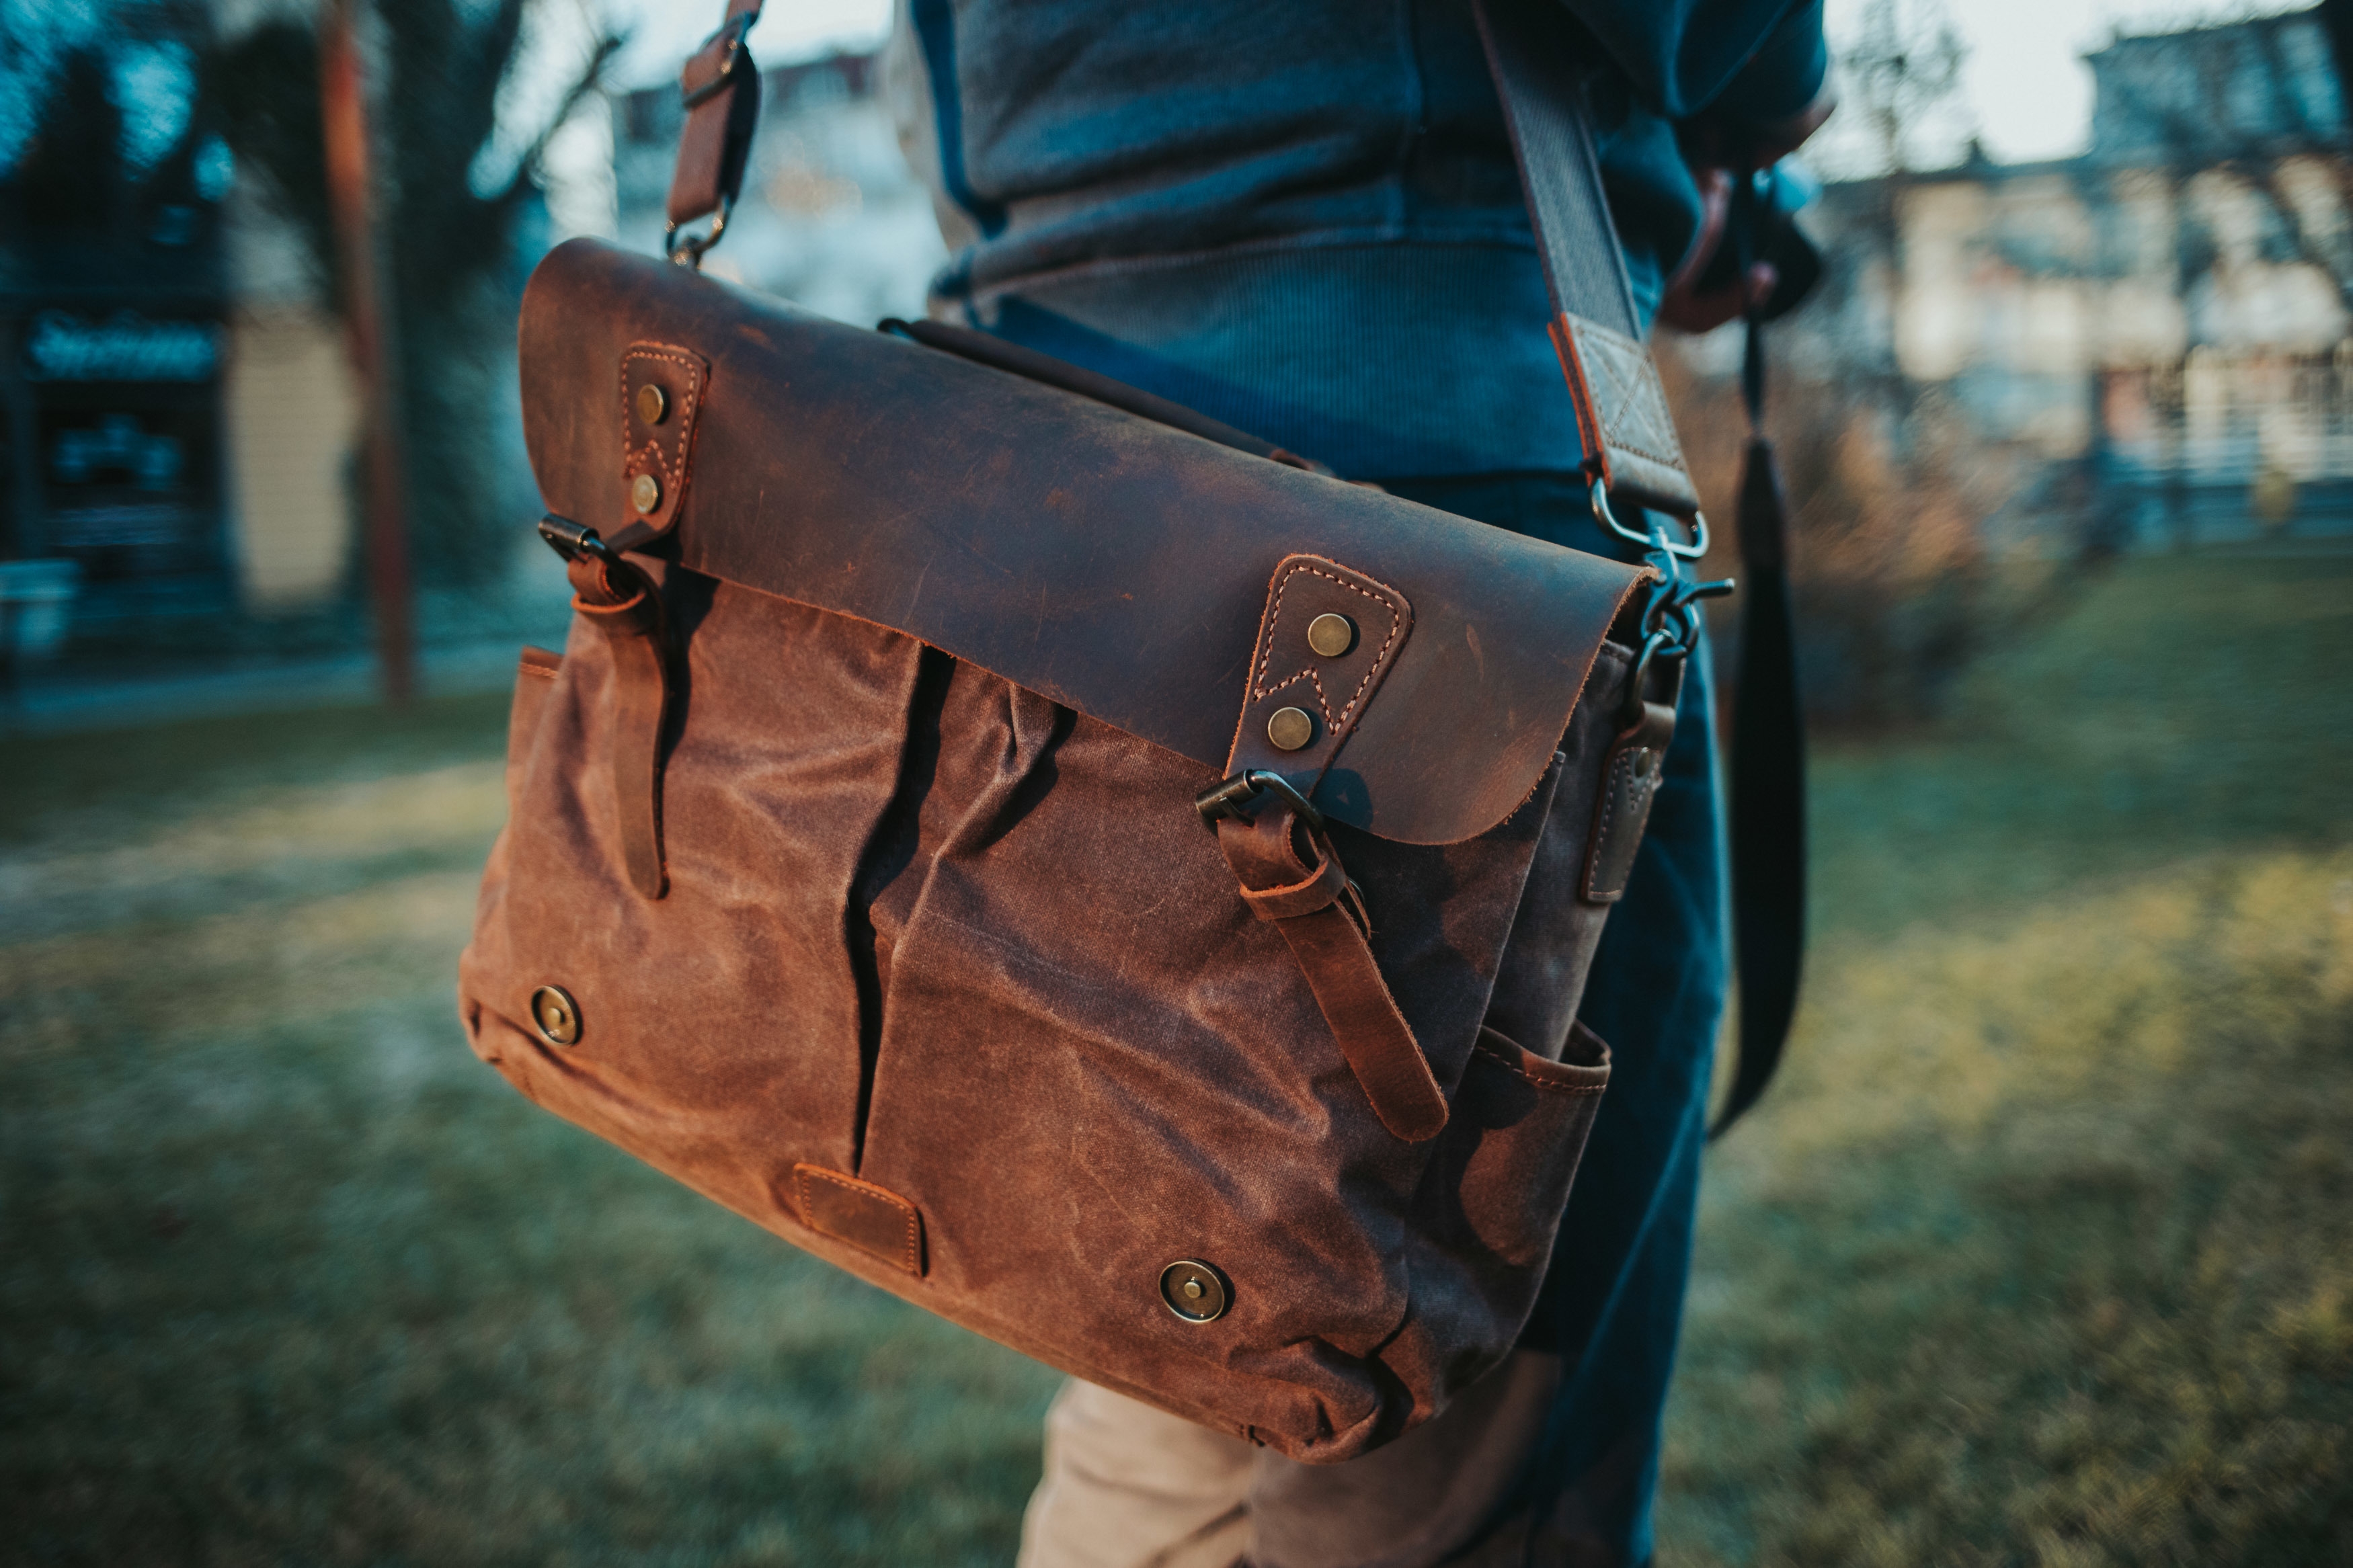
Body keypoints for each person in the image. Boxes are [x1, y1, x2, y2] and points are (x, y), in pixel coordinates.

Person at [881, 3, 1833, 1563]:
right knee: (1456, 1483)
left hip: (1041, 534)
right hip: (1467, 555)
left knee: (1166, 1376)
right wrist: (1756, 94)